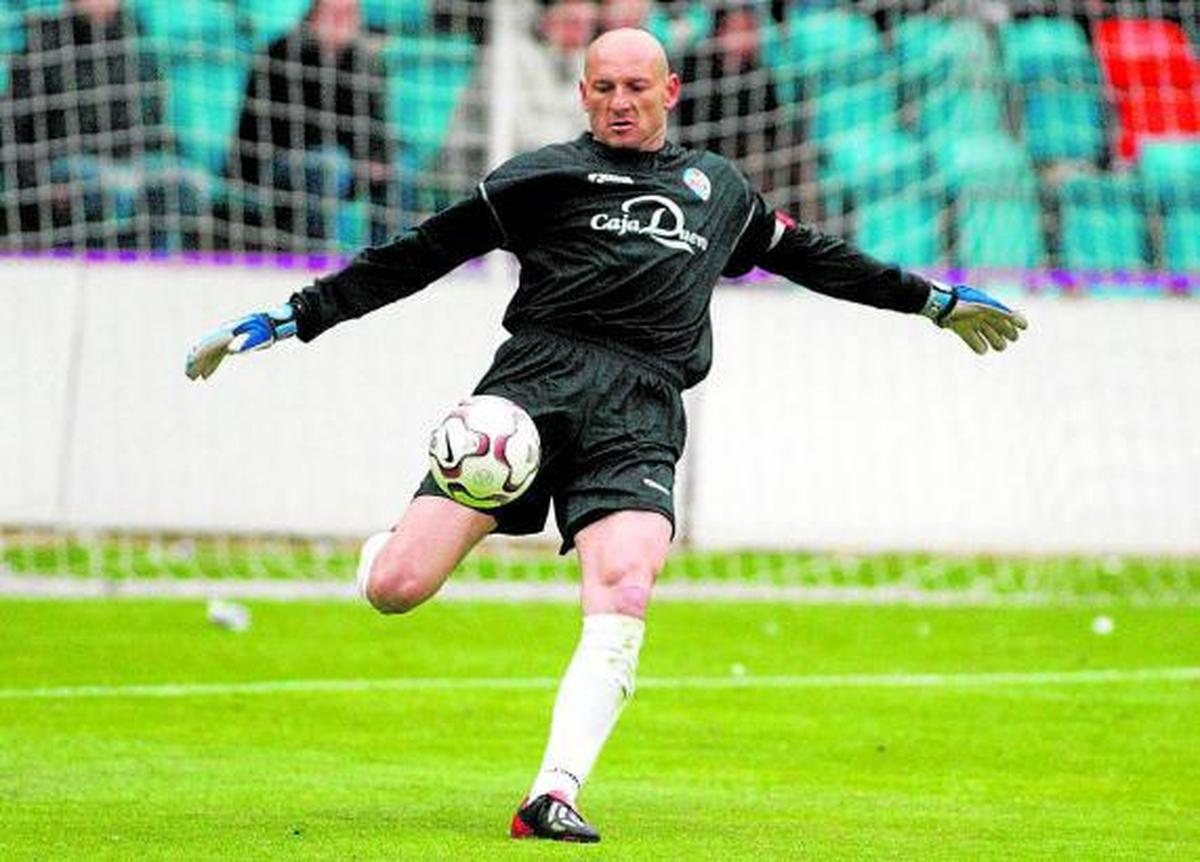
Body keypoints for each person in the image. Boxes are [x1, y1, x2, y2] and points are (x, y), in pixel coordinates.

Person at [185, 28, 1028, 843]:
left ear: (671, 91)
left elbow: (814, 256)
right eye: (604, 88)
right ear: (583, 94)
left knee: (626, 585)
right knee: (399, 588)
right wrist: (292, 318)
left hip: (643, 405)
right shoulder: (539, 177)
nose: (621, 103)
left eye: (637, 87)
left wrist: (931, 301)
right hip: (529, 393)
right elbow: (418, 255)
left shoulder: (719, 189)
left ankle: (551, 793)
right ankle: (386, 551)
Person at [1, 0, 177, 248]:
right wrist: (38, 184)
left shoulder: (135, 42)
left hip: (126, 164)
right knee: (114, 187)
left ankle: (158, 272)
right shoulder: (44, 42)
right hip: (64, 166)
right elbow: (13, 129)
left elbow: (154, 128)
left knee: (183, 185)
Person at [231, 0, 392, 250]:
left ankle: (387, 262)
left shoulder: (363, 63)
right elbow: (273, 132)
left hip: (344, 162)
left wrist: (375, 159)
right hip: (276, 163)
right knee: (328, 162)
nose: (341, 22)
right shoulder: (280, 54)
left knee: (399, 171)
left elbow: (375, 128)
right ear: (314, 14)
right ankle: (314, 257)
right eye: (334, 14)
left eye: (349, 14)